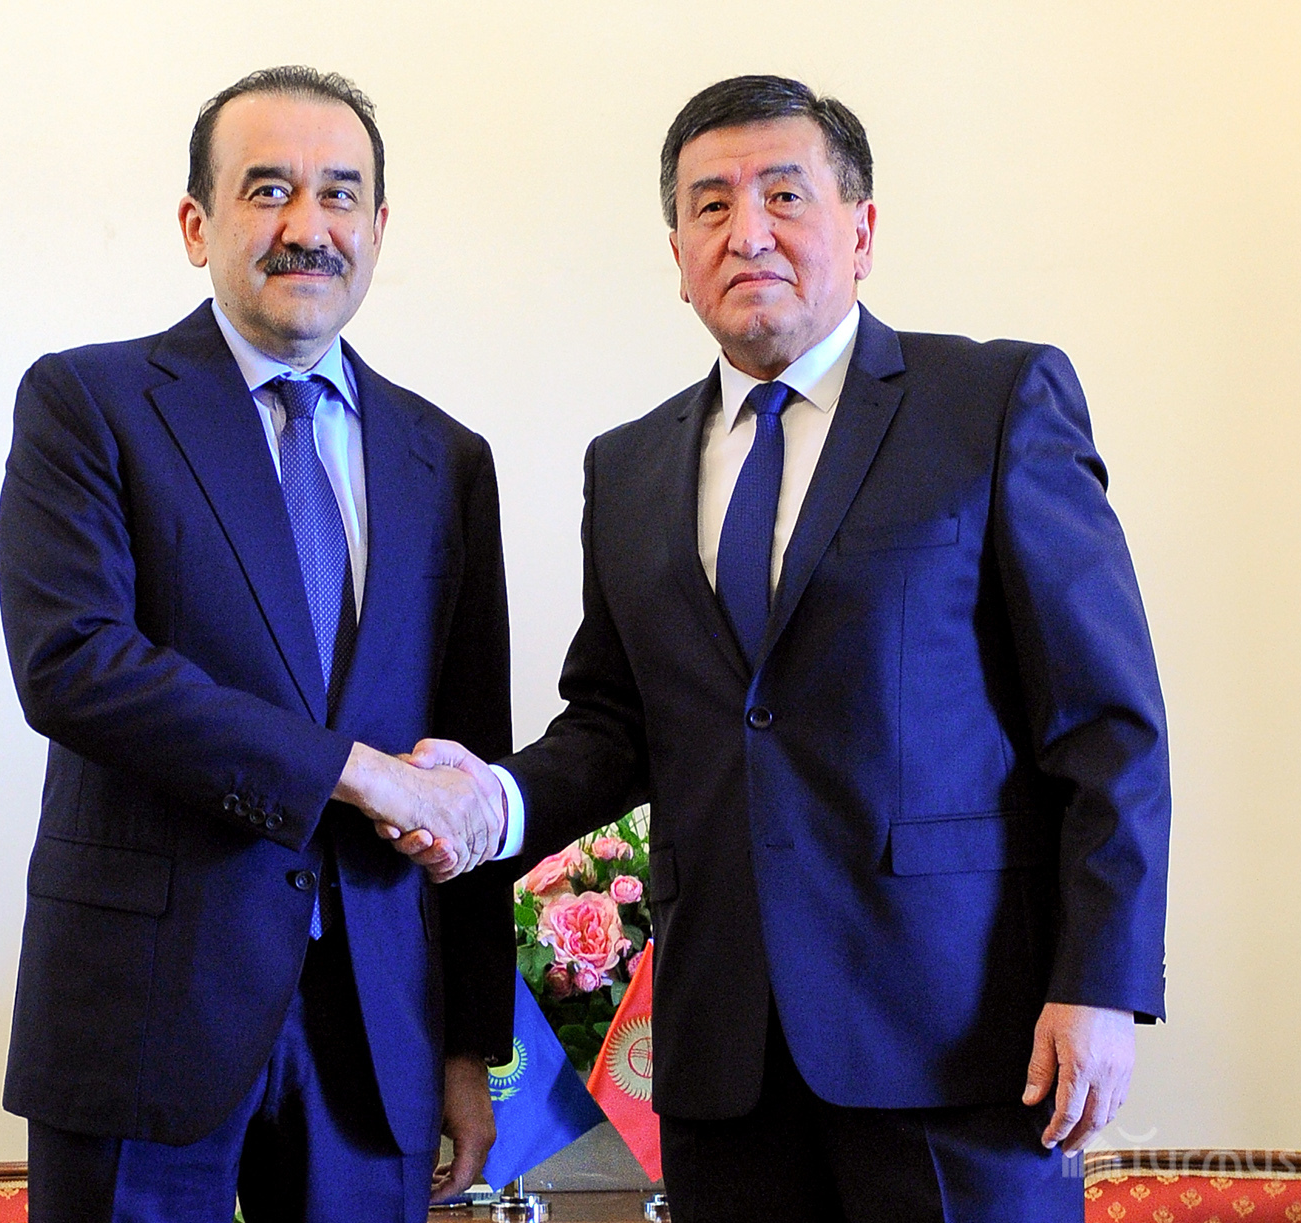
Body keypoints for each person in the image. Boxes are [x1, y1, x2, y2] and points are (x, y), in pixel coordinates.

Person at [397, 74, 1170, 1222]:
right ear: (677, 255)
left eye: (783, 194)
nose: (745, 231)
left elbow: (1105, 723)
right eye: (709, 205)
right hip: (725, 1060)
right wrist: (490, 802)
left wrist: (1100, 981)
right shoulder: (628, 467)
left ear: (861, 229)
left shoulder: (992, 402)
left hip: (960, 1041)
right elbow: (614, 724)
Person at [0, 65, 518, 1223]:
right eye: (268, 189)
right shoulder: (89, 403)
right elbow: (74, 662)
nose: (306, 225)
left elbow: (466, 753)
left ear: (378, 227)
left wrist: (469, 1040)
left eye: (340, 194)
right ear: (198, 225)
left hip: (374, 1028)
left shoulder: (446, 458)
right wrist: (353, 771)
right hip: (143, 1012)